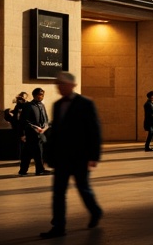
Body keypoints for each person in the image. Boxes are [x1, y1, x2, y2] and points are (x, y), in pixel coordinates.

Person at [39, 72, 102, 239]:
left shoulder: (86, 104)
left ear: (72, 85)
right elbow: (55, 133)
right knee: (58, 192)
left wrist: (94, 156)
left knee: (83, 188)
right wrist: (48, 155)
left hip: (80, 157)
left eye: (62, 84)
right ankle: (59, 227)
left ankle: (95, 211)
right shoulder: (57, 104)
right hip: (61, 158)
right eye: (58, 84)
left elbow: (94, 131)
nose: (59, 87)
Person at [18, 87, 50, 176]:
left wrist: (45, 126)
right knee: (37, 152)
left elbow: (46, 119)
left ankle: (23, 170)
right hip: (31, 133)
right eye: (39, 95)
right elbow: (24, 121)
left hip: (41, 133)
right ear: (35, 95)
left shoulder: (42, 105)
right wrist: (33, 129)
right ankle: (39, 170)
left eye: (42, 94)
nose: (41, 96)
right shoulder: (28, 106)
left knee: (28, 152)